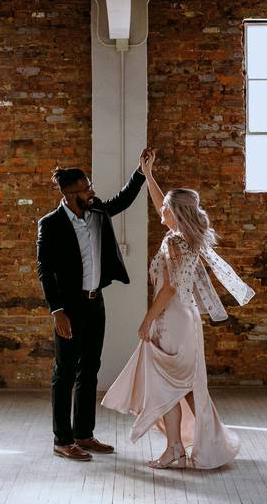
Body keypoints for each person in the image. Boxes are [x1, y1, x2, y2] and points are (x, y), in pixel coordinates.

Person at [101, 150, 255, 469]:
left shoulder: (174, 242)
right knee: (181, 387)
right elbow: (161, 205)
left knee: (167, 386)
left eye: (166, 210)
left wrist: (146, 320)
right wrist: (149, 174)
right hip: (187, 319)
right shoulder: (187, 237)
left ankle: (175, 449)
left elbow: (169, 287)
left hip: (171, 319)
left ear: (176, 213)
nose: (160, 212)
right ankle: (200, 442)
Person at [36, 150, 151, 461]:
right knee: (65, 374)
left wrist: (140, 172)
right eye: (87, 188)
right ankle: (62, 440)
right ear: (72, 194)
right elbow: (45, 270)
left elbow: (122, 201)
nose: (92, 191)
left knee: (90, 370)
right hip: (68, 309)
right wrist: (56, 311)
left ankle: (84, 434)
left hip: (95, 303)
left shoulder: (97, 211)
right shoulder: (50, 224)